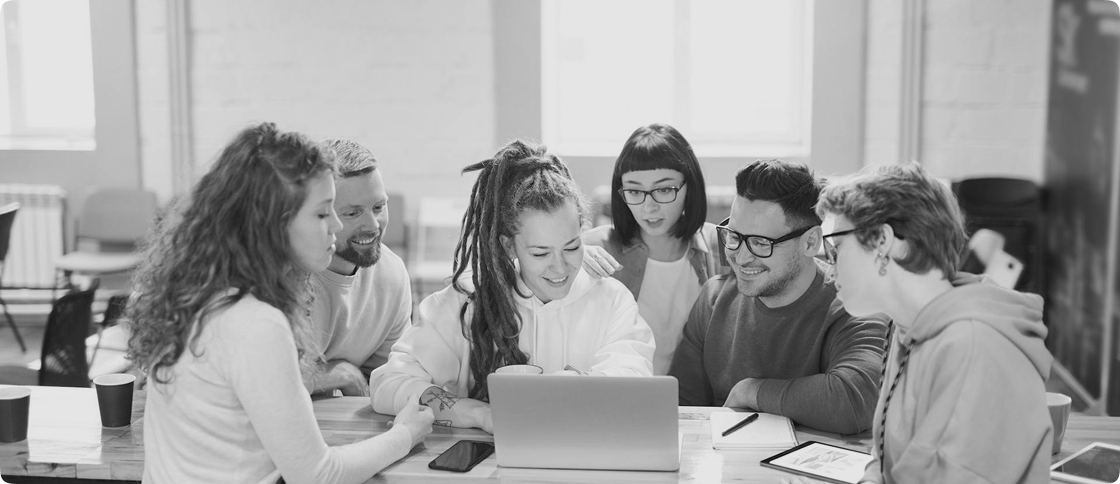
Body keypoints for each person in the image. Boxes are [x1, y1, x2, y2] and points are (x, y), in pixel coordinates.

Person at [126, 122, 433, 484]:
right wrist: (407, 434)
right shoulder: (255, 323)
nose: (335, 226)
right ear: (273, 225)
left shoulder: (205, 296)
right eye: (323, 213)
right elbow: (318, 473)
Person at [369, 140, 655, 433]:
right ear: (509, 245)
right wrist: (480, 415)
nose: (559, 267)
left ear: (584, 231)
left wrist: (576, 386)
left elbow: (634, 379)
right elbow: (388, 384)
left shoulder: (610, 300)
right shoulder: (467, 302)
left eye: (571, 247)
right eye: (540, 253)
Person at [816, 163, 1052, 483]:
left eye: (835, 248)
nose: (829, 271)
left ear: (883, 240)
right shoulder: (907, 327)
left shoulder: (975, 346)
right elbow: (887, 458)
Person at [668, 159, 887, 435]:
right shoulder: (713, 299)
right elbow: (680, 410)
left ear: (810, 242)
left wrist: (752, 391)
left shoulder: (853, 306)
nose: (741, 257)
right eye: (734, 236)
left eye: (761, 243)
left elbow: (856, 401)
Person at [581, 123, 729, 374]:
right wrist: (572, 254)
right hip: (622, 398)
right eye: (635, 191)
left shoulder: (721, 244)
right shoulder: (595, 247)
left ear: (689, 187)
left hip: (697, 404)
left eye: (663, 189)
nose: (649, 206)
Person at [302, 139, 411, 397]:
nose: (373, 226)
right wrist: (335, 375)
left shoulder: (391, 275)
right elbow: (266, 384)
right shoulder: (285, 277)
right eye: (352, 213)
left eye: (378, 207)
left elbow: (393, 380)